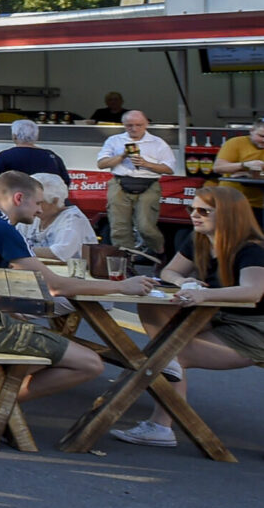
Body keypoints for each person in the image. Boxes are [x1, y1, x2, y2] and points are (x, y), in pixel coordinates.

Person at [0, 172, 151, 408]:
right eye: (37, 202)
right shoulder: (1, 228)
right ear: (19, 198)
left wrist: (13, 310)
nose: (39, 210)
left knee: (42, 351)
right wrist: (122, 286)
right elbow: (55, 287)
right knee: (90, 363)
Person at [110, 185, 264, 447]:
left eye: (204, 211)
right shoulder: (200, 240)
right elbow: (168, 272)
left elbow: (253, 292)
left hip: (252, 329)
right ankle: (160, 385)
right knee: (150, 305)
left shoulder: (251, 249)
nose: (195, 215)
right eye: (191, 209)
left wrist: (206, 295)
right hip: (215, 318)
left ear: (228, 214)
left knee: (170, 355)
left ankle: (161, 426)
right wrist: (184, 282)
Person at [96, 110, 178, 254]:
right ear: (123, 125)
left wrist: (146, 164)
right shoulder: (114, 140)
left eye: (138, 125)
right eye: (129, 125)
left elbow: (169, 168)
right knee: (119, 228)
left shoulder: (158, 143)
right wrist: (122, 156)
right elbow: (102, 164)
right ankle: (125, 263)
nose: (134, 129)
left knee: (145, 227)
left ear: (146, 124)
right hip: (120, 182)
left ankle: (159, 253)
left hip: (148, 183)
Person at [20, 173, 97, 264]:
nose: (32, 207)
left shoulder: (73, 219)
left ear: (55, 201)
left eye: (38, 203)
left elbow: (59, 253)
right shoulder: (33, 217)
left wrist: (21, 249)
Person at [0, 120, 68, 193]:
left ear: (14, 136)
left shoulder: (4, 156)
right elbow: (65, 182)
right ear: (36, 137)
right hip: (45, 204)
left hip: (15, 204)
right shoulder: (52, 156)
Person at [212, 119, 264, 207]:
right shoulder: (235, 143)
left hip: (258, 204)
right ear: (251, 131)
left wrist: (249, 175)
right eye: (261, 136)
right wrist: (245, 165)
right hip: (230, 201)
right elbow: (218, 168)